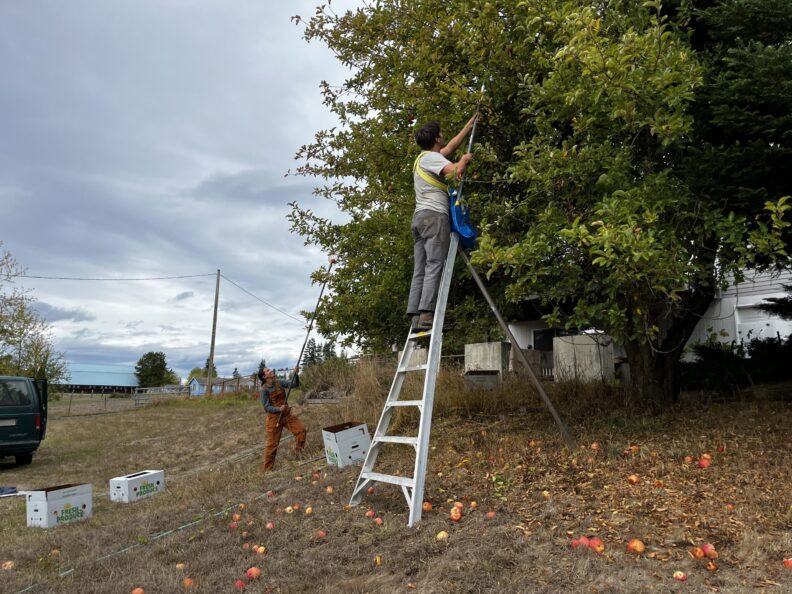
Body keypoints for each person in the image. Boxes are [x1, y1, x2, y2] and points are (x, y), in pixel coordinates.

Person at [407, 116, 477, 331]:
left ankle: (415, 315)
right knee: (434, 264)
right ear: (436, 138)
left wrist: (468, 126)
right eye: (441, 135)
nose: (444, 137)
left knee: (420, 268)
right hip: (434, 217)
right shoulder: (432, 159)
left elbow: (450, 147)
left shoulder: (423, 158)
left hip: (419, 219)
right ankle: (427, 314)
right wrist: (464, 161)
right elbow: (455, 171)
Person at [258, 366, 306, 471]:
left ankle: (298, 456)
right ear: (264, 376)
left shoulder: (279, 383)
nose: (271, 370)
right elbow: (266, 407)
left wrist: (295, 374)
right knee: (272, 445)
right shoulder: (264, 390)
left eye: (270, 369)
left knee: (301, 431)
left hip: (286, 415)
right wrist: (279, 409)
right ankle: (267, 471)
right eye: (268, 370)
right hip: (274, 419)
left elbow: (294, 384)